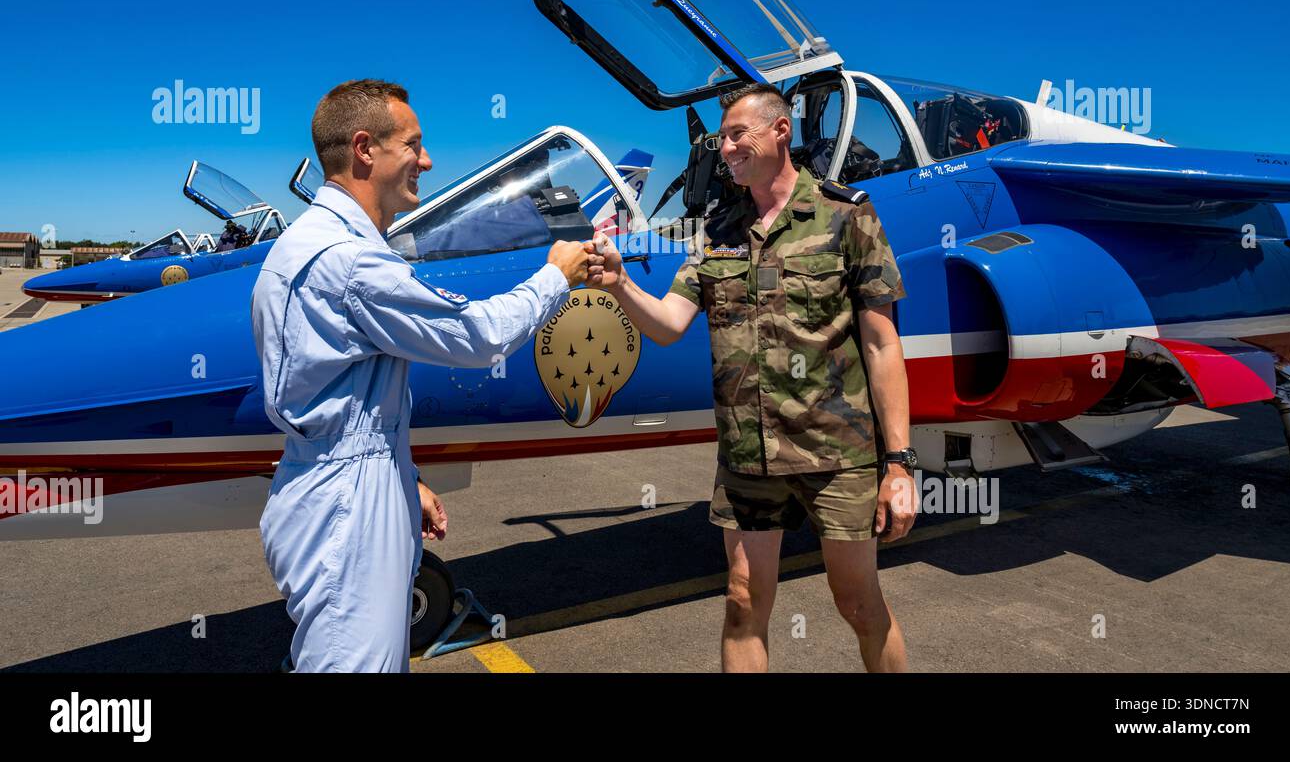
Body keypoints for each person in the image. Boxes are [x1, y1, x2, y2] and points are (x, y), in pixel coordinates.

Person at [252, 79, 588, 672]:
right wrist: (556, 274)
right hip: (346, 505)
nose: (427, 161)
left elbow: (349, 398)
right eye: (413, 144)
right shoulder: (350, 260)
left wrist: (403, 475)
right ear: (364, 149)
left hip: (335, 484)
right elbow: (476, 336)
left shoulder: (304, 244)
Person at [585, 82, 917, 672]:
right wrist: (619, 284)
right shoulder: (718, 232)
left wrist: (899, 464)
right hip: (748, 456)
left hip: (836, 454)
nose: (726, 148)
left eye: (739, 135)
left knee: (859, 604)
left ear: (780, 131)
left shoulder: (846, 214)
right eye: (722, 138)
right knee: (741, 603)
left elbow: (881, 343)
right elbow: (667, 324)